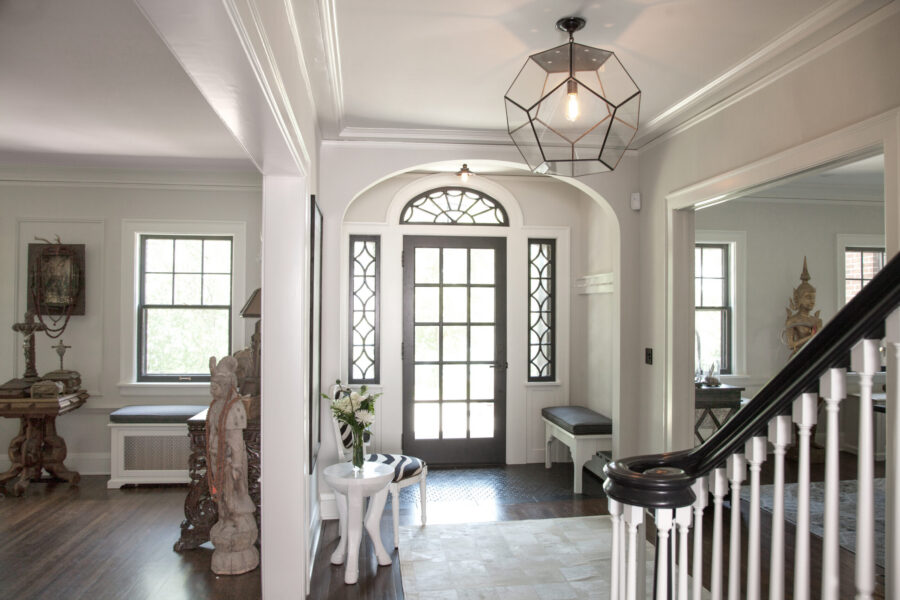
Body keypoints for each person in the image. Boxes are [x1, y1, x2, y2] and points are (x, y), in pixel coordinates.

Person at [784, 258, 823, 355]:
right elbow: (790, 345)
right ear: (799, 298)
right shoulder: (792, 320)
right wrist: (810, 337)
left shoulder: (817, 321)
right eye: (808, 297)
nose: (812, 301)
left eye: (813, 298)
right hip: (798, 357)